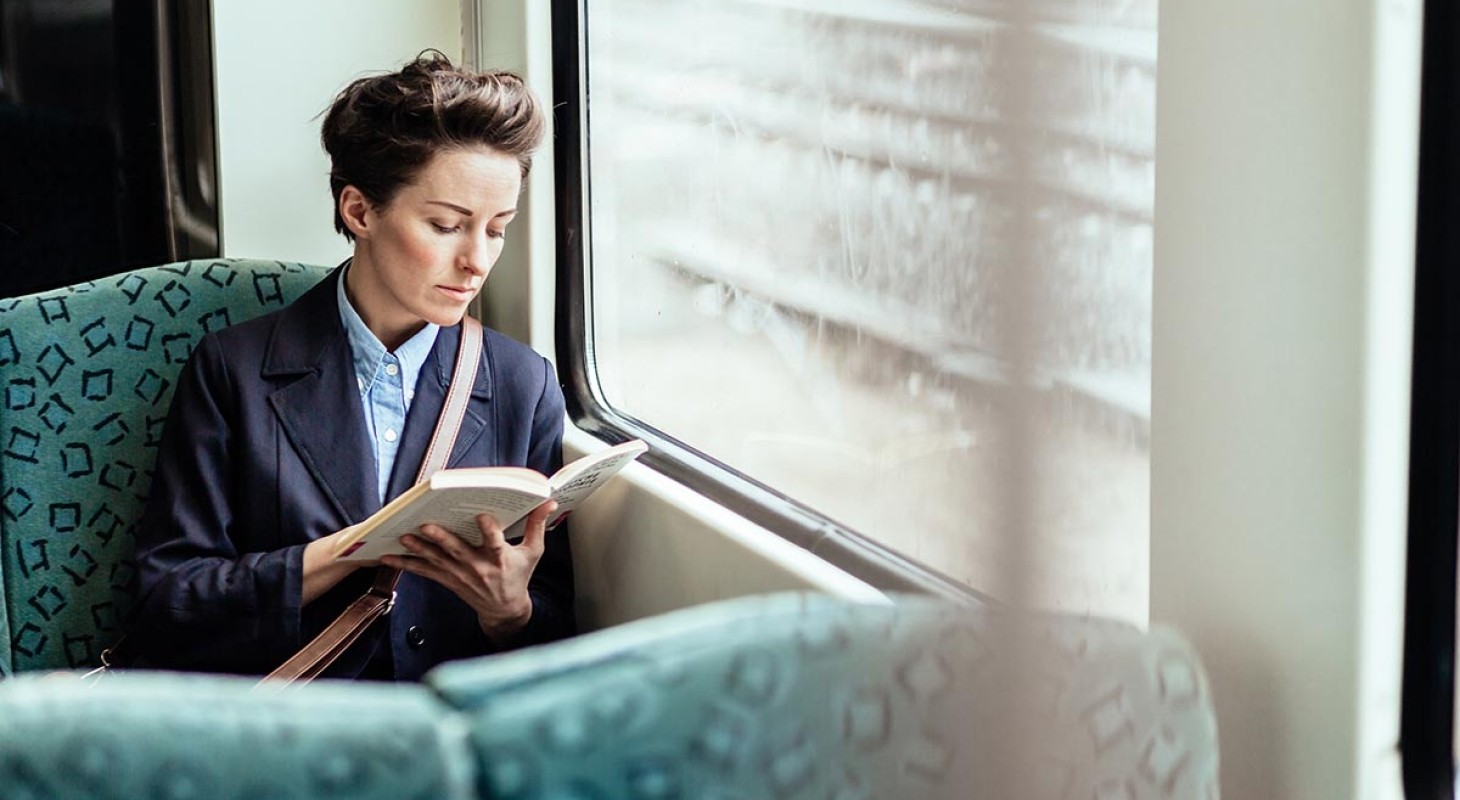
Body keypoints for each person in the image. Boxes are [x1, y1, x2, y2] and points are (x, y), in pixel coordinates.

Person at [128, 52, 575, 680]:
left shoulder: (523, 383)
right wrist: (348, 551)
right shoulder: (233, 372)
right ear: (359, 212)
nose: (478, 260)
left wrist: (511, 612)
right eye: (447, 225)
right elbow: (166, 600)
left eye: (497, 230)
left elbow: (557, 623)